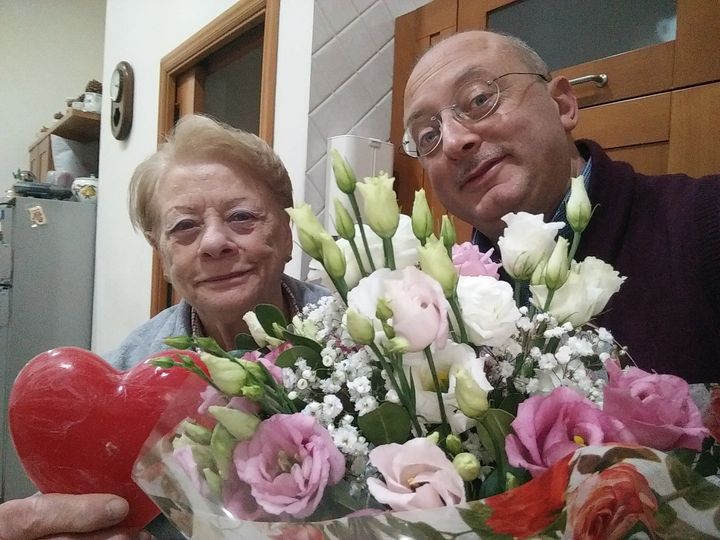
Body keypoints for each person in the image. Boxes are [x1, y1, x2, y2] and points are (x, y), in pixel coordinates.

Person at [0, 114, 328, 540]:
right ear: (163, 255)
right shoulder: (123, 379)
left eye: (242, 216)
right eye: (184, 227)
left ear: (286, 233)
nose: (214, 243)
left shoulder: (372, 343)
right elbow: (78, 513)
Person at [402, 30, 720, 383]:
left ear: (563, 105)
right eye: (428, 136)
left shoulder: (703, 223)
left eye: (479, 99)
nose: (453, 141)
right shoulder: (435, 306)